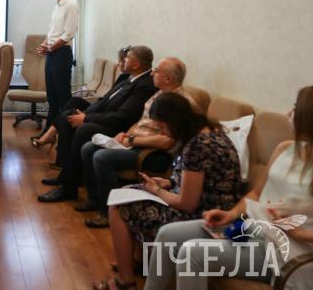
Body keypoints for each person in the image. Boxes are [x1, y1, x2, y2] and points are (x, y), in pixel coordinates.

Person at [143, 86, 313, 290]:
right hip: (255, 228)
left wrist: (301, 234)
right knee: (167, 235)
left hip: (286, 249)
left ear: (308, 118)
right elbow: (256, 193)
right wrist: (231, 214)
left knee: (192, 253)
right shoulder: (285, 148)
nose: (289, 113)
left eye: (295, 109)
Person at [93, 92, 242, 290]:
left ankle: (125, 281)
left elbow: (187, 203)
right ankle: (138, 260)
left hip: (206, 215)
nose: (164, 133)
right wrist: (168, 183)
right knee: (129, 191)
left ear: (174, 121)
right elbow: (200, 180)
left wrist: (157, 190)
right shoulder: (212, 133)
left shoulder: (198, 146)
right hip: (213, 204)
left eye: (162, 127)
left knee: (119, 208)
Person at [78, 57, 196, 228]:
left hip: (154, 153)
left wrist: (132, 140)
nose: (152, 73)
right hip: (136, 144)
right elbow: (141, 122)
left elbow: (167, 141)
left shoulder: (179, 103)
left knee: (101, 157)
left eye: (156, 71)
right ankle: (94, 199)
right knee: (88, 148)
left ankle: (108, 212)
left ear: (168, 78)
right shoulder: (159, 94)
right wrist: (125, 134)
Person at [38, 45, 158, 202]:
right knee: (72, 107)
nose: (123, 60)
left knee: (84, 129)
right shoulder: (126, 77)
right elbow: (103, 101)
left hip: (117, 127)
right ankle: (66, 175)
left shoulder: (145, 85)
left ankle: (67, 186)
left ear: (135, 64)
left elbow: (122, 117)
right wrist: (85, 115)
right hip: (105, 115)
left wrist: (86, 119)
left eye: (127, 58)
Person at [31, 46, 130, 147]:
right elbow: (105, 98)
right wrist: (89, 111)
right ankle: (50, 134)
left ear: (135, 64)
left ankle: (49, 136)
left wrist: (86, 116)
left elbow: (119, 115)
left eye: (122, 61)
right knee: (74, 102)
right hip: (100, 107)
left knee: (69, 115)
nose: (118, 64)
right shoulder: (123, 78)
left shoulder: (136, 85)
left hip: (106, 115)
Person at [35, 0, 79, 137]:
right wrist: (45, 45)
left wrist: (51, 48)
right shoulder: (57, 6)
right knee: (52, 97)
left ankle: (68, 135)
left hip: (62, 53)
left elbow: (68, 34)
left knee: (63, 98)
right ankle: (48, 133)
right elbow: (52, 32)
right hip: (52, 53)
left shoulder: (71, 5)